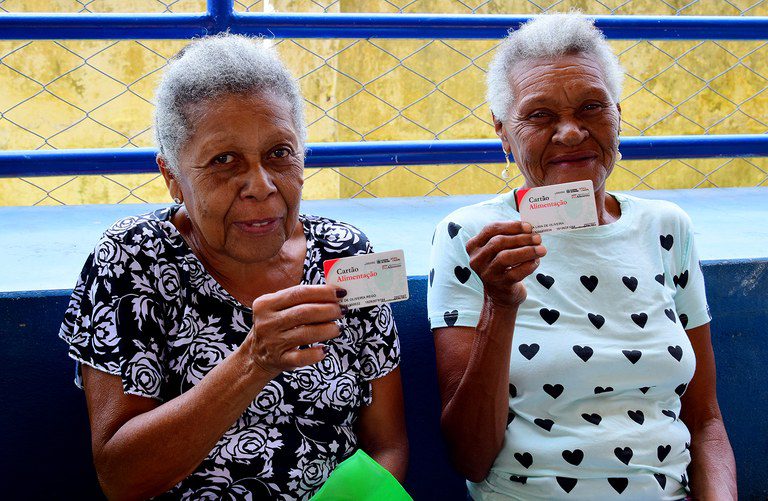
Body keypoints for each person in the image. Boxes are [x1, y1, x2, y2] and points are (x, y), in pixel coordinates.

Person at [59, 34, 407, 499]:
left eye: (279, 153)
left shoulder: (344, 254)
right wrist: (252, 362)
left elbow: (388, 445)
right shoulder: (133, 259)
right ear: (172, 178)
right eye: (224, 160)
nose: (260, 186)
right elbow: (121, 477)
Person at [428, 13, 736, 500]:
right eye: (540, 115)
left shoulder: (667, 228)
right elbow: (470, 456)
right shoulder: (474, 237)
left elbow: (705, 420)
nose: (570, 133)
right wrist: (500, 303)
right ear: (503, 133)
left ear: (618, 116)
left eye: (592, 107)